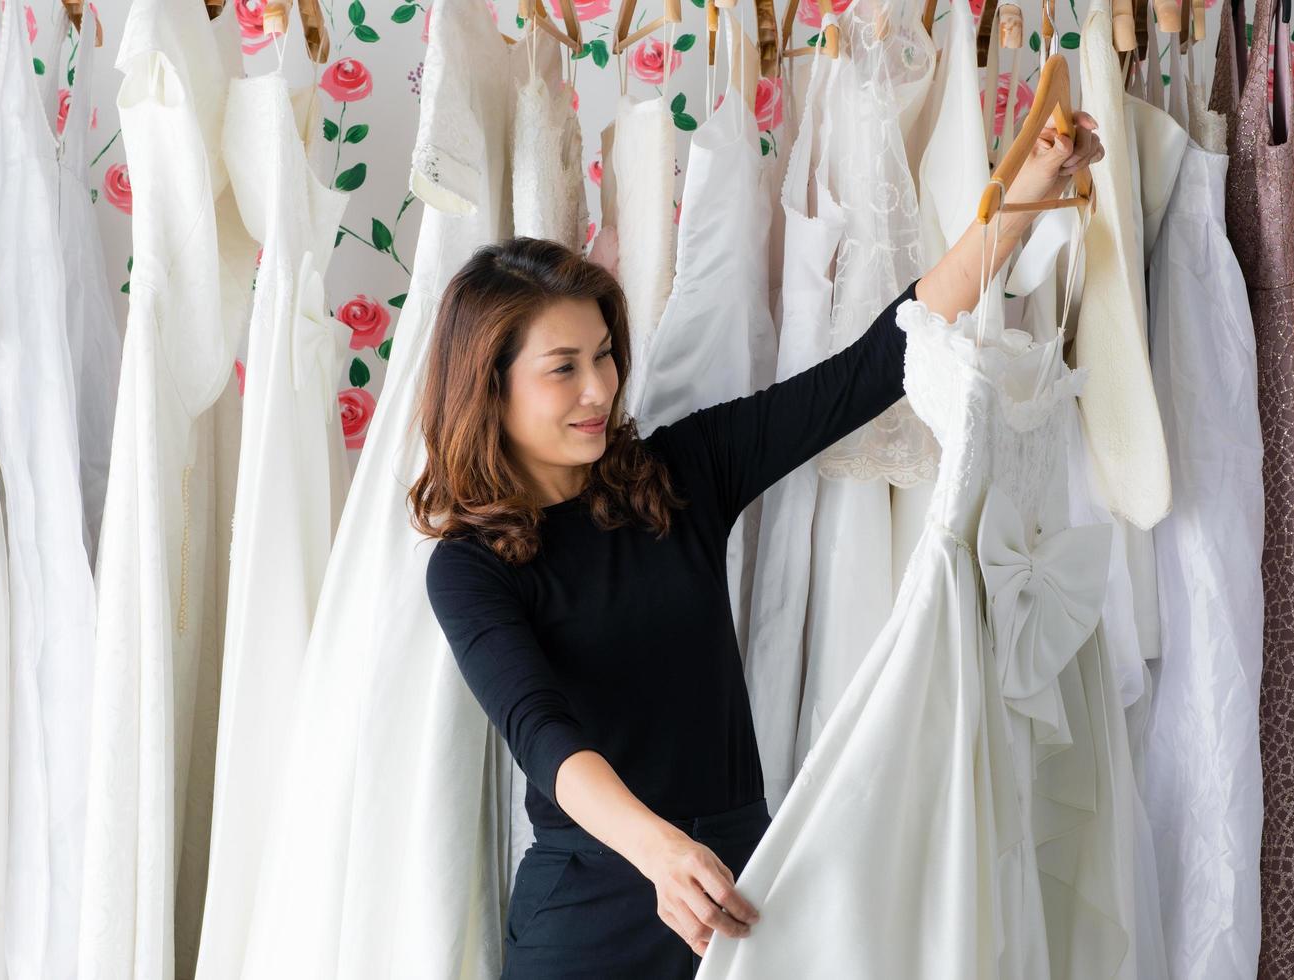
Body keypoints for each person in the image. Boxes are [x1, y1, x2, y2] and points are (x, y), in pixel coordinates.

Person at [415, 115, 1106, 978]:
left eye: (604, 355)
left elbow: (870, 369)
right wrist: (658, 852)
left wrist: (1023, 203)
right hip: (590, 918)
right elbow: (541, 733)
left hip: (741, 892)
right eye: (563, 368)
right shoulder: (470, 567)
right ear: (491, 385)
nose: (598, 388)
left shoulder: (677, 475)